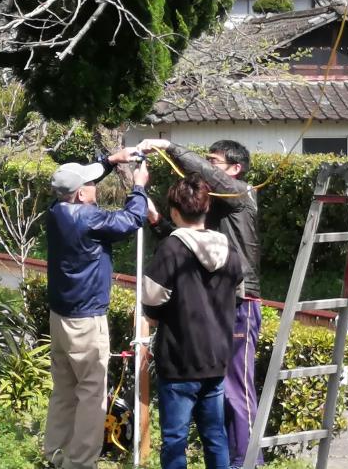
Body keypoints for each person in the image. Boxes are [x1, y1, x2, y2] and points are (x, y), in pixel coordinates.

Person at [137, 138, 262, 468]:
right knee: (219, 410)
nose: (206, 169)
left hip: (241, 304)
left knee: (238, 392)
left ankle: (247, 463)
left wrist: (169, 146)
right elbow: (185, 247)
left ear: (235, 170)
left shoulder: (241, 195)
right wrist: (157, 222)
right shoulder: (217, 214)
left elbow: (161, 284)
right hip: (222, 306)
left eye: (213, 162)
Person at [44, 148, 149, 469]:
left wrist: (109, 162)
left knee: (64, 389)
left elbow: (83, 182)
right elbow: (132, 219)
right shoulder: (89, 219)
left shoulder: (55, 210)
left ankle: (55, 454)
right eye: (90, 184)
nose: (96, 187)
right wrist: (139, 187)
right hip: (86, 321)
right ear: (79, 194)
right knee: (91, 392)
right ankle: (80, 463)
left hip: (59, 318)